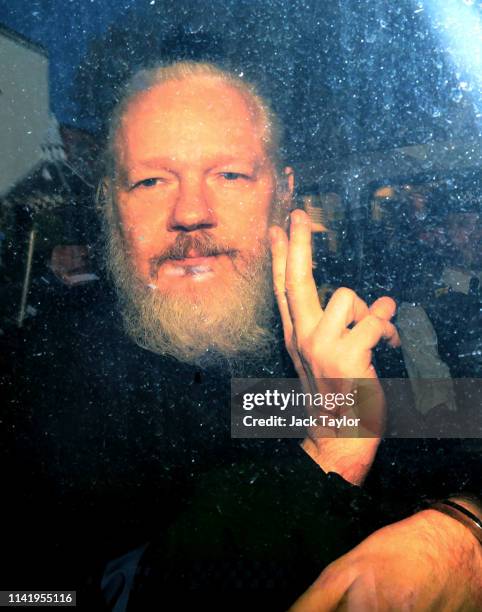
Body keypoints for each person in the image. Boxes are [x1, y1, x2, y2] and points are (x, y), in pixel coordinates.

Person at [2, 60, 481, 611]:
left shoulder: (339, 335)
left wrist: (462, 530)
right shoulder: (37, 378)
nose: (190, 213)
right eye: (151, 180)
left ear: (283, 190)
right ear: (112, 202)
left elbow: (443, 464)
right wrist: (330, 451)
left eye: (229, 175)